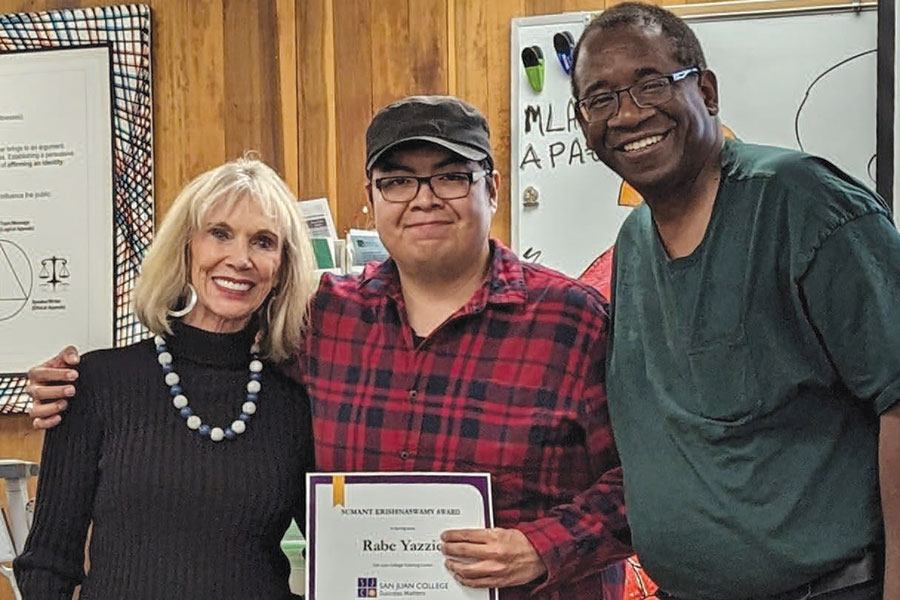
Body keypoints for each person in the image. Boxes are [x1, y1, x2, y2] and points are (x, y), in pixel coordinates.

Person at [26, 96, 633, 599]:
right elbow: (202, 357)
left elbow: (648, 483)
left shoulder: (574, 321)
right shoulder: (327, 321)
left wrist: (539, 549)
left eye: (451, 176)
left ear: (491, 189)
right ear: (372, 198)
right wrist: (70, 383)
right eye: (397, 181)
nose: (423, 198)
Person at [570, 3, 900, 600]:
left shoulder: (804, 204)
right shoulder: (633, 244)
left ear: (706, 91)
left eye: (651, 84)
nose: (628, 113)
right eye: (601, 98)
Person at [14, 157, 317, 599]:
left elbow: (336, 553)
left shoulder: (294, 402)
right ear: (186, 246)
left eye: (263, 241)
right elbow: (47, 564)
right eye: (220, 233)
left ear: (282, 266)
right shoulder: (94, 385)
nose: (240, 259)